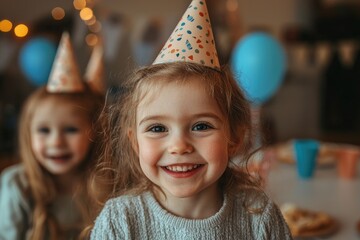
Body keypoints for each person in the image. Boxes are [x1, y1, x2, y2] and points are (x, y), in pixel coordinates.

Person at [89, 0, 293, 239]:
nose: (179, 146)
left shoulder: (259, 217)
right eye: (157, 128)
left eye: (201, 126)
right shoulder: (119, 223)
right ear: (135, 143)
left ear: (235, 137)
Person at [0, 32, 104, 240]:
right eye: (44, 130)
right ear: (28, 134)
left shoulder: (105, 184)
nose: (56, 142)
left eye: (71, 130)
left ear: (95, 131)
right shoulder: (18, 185)